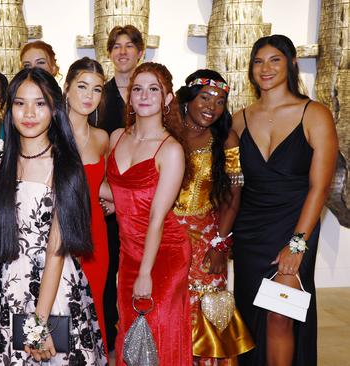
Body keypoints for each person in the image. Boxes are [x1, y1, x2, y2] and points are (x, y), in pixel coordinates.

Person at [0, 67, 107, 365]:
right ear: (9, 108)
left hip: (52, 291)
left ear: (54, 108)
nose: (29, 113)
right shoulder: (2, 162)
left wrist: (38, 323)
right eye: (20, 103)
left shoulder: (63, 165)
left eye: (39, 103)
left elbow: (56, 250)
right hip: (9, 287)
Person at [232, 34, 338, 366]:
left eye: (274, 59)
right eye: (258, 61)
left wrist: (296, 245)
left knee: (281, 314)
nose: (265, 68)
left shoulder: (315, 114)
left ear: (291, 63)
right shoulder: (239, 119)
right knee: (251, 317)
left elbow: (319, 188)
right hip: (250, 234)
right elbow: (231, 183)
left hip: (296, 228)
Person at [103, 62, 191, 366]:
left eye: (154, 89)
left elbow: (156, 218)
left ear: (167, 99)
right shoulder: (117, 137)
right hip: (129, 252)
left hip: (164, 254)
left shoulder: (171, 150)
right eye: (137, 88)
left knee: (156, 334)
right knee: (130, 333)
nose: (144, 95)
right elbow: (113, 188)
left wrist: (144, 273)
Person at [174, 69, 254, 365]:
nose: (211, 107)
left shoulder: (226, 139)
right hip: (167, 236)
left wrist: (220, 245)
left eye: (220, 101)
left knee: (207, 310)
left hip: (208, 237)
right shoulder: (167, 131)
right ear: (188, 100)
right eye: (204, 98)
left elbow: (233, 199)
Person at [99, 25, 145, 351]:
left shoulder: (148, 91)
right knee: (107, 269)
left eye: (130, 46)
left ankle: (140, 334)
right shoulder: (99, 95)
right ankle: (108, 340)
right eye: (117, 46)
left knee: (140, 269)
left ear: (140, 52)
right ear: (109, 52)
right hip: (105, 196)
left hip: (141, 195)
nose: (123, 52)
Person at [63, 57, 110, 351]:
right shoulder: (47, 133)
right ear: (66, 88)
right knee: (58, 316)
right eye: (81, 86)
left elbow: (103, 185)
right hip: (57, 236)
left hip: (95, 238)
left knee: (91, 313)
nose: (88, 96)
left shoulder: (102, 138)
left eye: (96, 89)